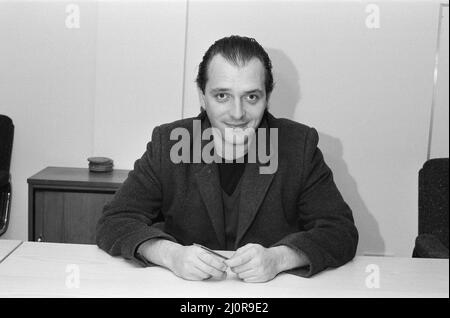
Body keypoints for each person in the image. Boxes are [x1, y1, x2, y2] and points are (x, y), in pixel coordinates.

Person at [96, 35, 358, 283]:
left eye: (251, 97)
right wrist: (170, 254)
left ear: (267, 97)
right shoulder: (170, 142)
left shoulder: (298, 145)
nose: (237, 113)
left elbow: (340, 232)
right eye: (222, 95)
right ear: (202, 96)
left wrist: (280, 258)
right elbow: (114, 222)